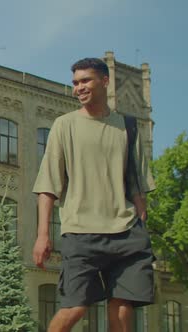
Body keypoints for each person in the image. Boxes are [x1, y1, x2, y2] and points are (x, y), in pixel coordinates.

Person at [32, 58, 156, 332]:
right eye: (75, 82)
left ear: (105, 81)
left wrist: (141, 218)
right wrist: (42, 235)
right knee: (74, 307)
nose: (79, 88)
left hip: (126, 232)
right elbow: (48, 185)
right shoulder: (64, 126)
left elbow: (136, 182)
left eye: (86, 80)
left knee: (123, 307)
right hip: (81, 232)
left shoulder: (128, 127)